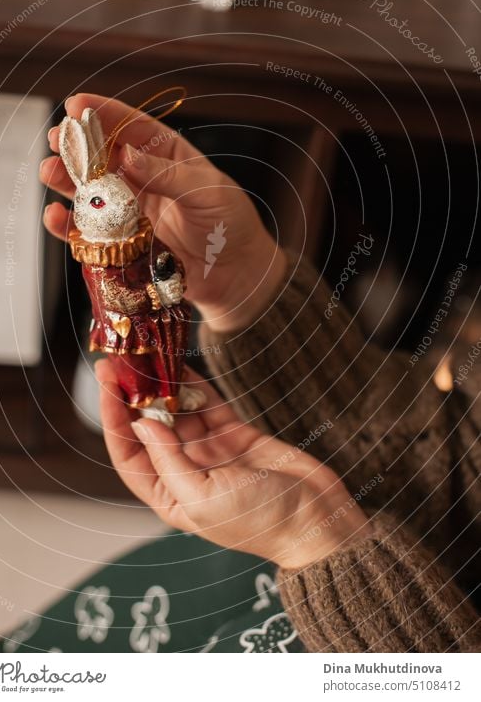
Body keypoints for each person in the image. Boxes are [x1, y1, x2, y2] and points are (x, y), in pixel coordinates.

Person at [40, 93, 481, 653]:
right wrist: (246, 285)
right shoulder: (105, 266)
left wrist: (316, 539)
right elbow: (461, 466)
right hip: (354, 553)